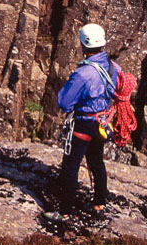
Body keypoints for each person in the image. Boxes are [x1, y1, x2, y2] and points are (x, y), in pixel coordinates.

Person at [44, 23, 120, 221]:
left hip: (83, 124)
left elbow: (64, 102)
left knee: (71, 166)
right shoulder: (114, 67)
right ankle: (99, 204)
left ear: (84, 45)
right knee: (96, 162)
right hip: (102, 124)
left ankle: (64, 211)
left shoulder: (83, 74)